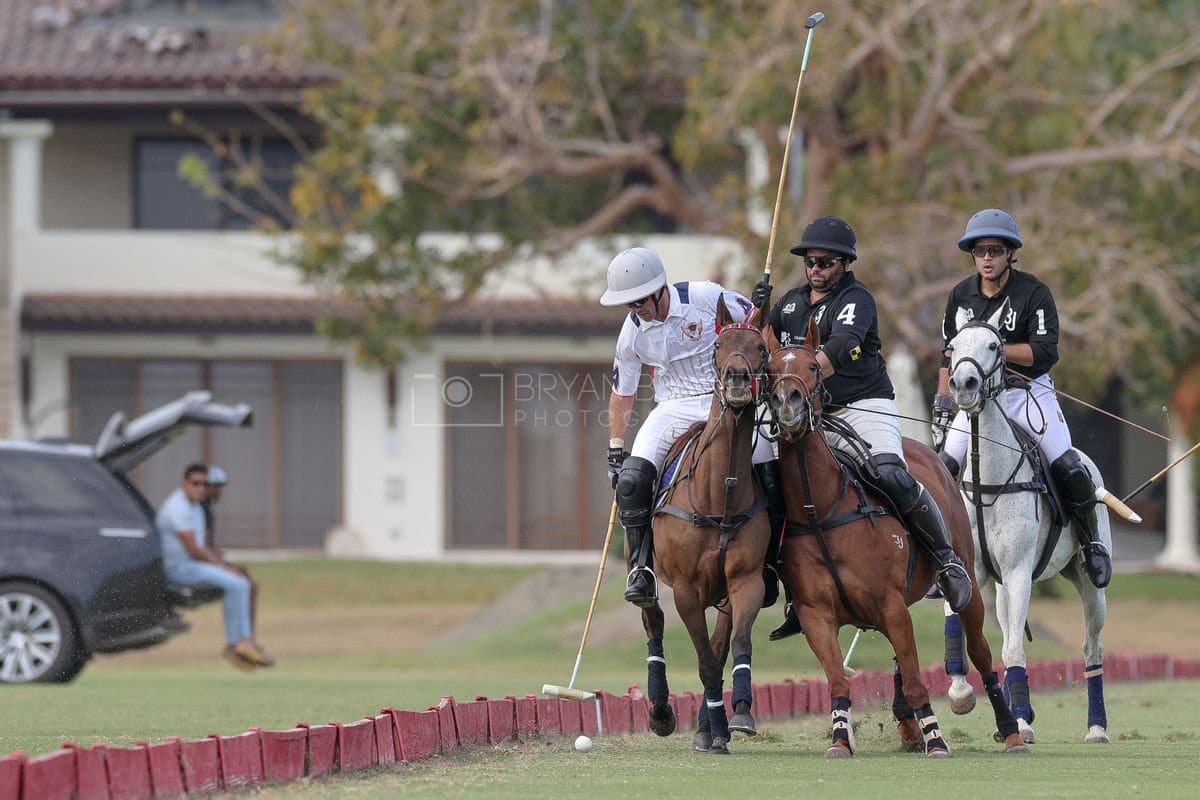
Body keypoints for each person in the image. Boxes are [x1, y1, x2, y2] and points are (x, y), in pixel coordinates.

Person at [756, 215, 973, 639]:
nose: (816, 269)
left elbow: (840, 345)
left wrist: (800, 376)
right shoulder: (790, 303)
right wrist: (757, 310)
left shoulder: (858, 300)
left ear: (844, 263)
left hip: (863, 404)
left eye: (825, 262)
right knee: (770, 480)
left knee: (890, 472)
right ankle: (788, 584)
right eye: (810, 261)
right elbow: (765, 349)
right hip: (810, 414)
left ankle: (945, 559)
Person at [931, 208, 1112, 588]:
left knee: (1067, 465)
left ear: (1010, 252)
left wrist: (994, 349)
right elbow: (948, 354)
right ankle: (939, 555)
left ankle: (1091, 542)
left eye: (995, 250)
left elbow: (1045, 352)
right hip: (976, 400)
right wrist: (942, 401)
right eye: (979, 251)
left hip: (1026, 394)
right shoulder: (960, 296)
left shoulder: (1034, 293)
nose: (986, 258)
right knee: (942, 467)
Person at [599, 246, 785, 608]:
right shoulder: (632, 333)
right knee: (633, 480)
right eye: (629, 305)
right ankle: (641, 569)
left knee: (771, 468)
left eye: (640, 301)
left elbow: (753, 326)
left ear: (658, 289)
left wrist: (761, 306)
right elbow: (622, 393)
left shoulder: (704, 296)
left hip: (728, 402)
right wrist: (615, 448)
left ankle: (775, 563)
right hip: (672, 407)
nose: (636, 310)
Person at [157, 463, 275, 670]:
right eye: (195, 483)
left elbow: (205, 546)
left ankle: (242, 643)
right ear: (185, 482)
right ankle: (240, 643)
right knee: (238, 584)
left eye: (205, 484)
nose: (200, 488)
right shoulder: (177, 507)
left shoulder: (196, 507)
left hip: (191, 564)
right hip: (177, 568)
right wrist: (224, 567)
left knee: (241, 583)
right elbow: (195, 549)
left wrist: (226, 565)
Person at [202, 465, 262, 634]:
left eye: (221, 487)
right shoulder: (199, 510)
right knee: (248, 585)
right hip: (199, 564)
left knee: (246, 578)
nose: (219, 491)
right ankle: (244, 638)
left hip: (208, 561)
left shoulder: (206, 510)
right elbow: (202, 546)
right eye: (216, 486)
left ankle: (245, 637)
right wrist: (224, 564)